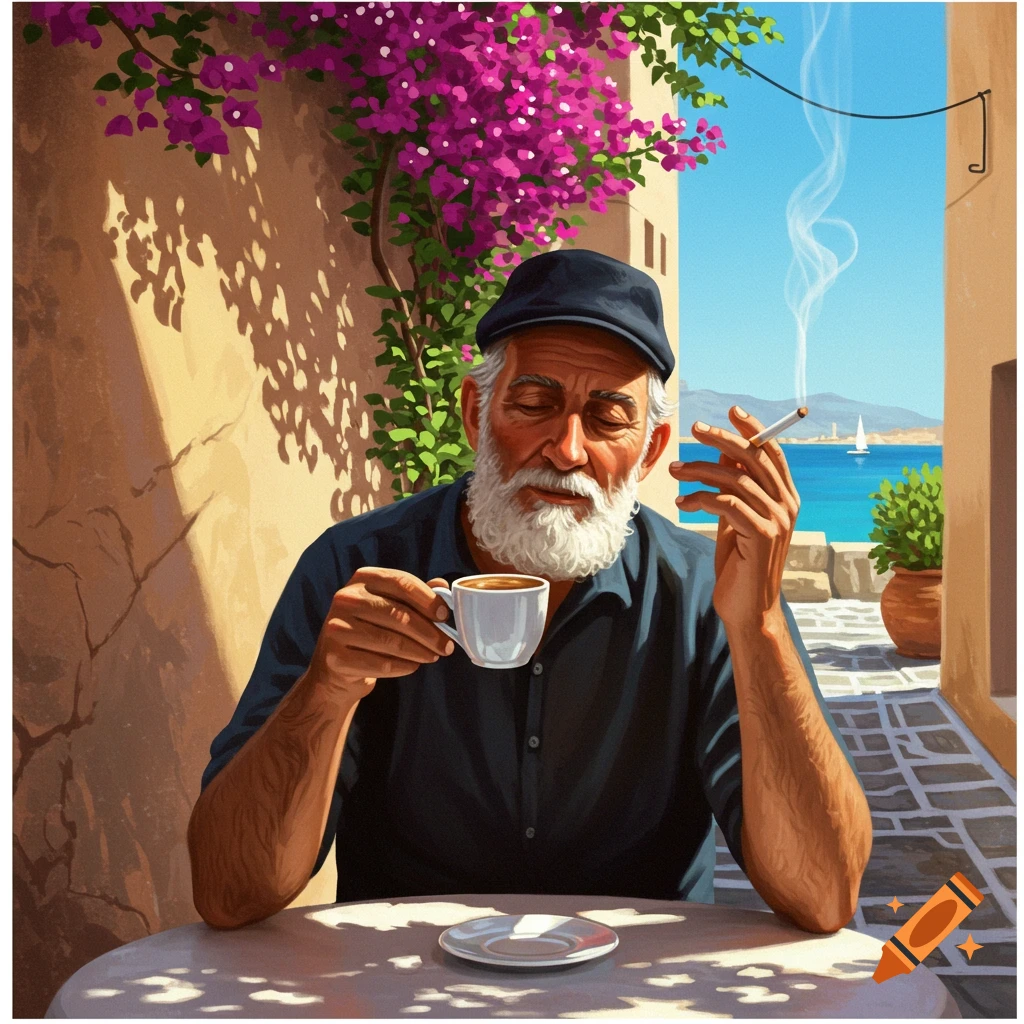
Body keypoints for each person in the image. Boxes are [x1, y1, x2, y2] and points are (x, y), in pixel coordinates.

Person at [188, 250, 872, 933]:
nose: (567, 448)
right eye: (536, 403)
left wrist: (759, 628)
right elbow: (230, 891)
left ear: (652, 446)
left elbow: (822, 894)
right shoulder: (359, 569)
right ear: (475, 411)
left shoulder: (706, 593)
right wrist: (327, 692)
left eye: (607, 419)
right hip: (408, 994)